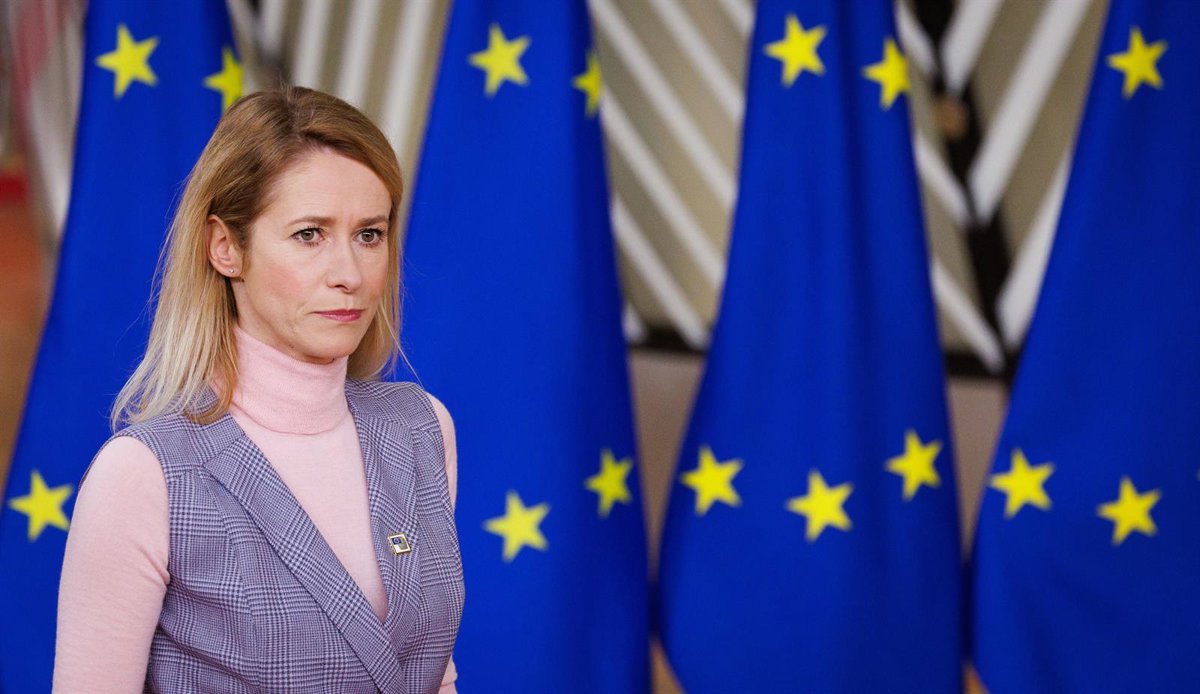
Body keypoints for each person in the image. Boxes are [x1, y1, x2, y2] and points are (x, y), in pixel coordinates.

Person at [53, 86, 463, 693]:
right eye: (309, 234)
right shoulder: (143, 476)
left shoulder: (422, 428)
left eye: (369, 234)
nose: (349, 274)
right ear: (226, 248)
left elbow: (431, 673)